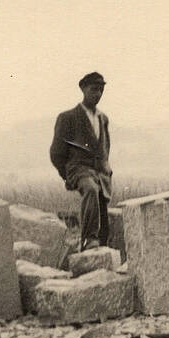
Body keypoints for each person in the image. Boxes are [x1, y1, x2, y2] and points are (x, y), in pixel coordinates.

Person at [50, 72, 113, 251]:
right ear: (83, 89)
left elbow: (105, 148)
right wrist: (68, 175)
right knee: (91, 189)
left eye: (101, 90)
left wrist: (106, 169)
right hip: (78, 170)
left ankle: (101, 248)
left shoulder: (103, 119)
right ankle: (88, 240)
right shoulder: (68, 117)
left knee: (102, 205)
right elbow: (56, 153)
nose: (98, 94)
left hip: (100, 173)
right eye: (94, 89)